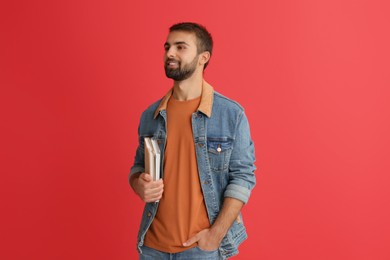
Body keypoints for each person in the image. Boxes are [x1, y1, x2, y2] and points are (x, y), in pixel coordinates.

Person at [129, 22, 256, 259]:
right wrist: (139, 184)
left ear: (202, 57)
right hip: (152, 247)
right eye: (167, 47)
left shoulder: (230, 114)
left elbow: (243, 177)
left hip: (200, 249)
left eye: (180, 47)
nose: (169, 53)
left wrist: (215, 236)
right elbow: (138, 167)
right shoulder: (151, 115)